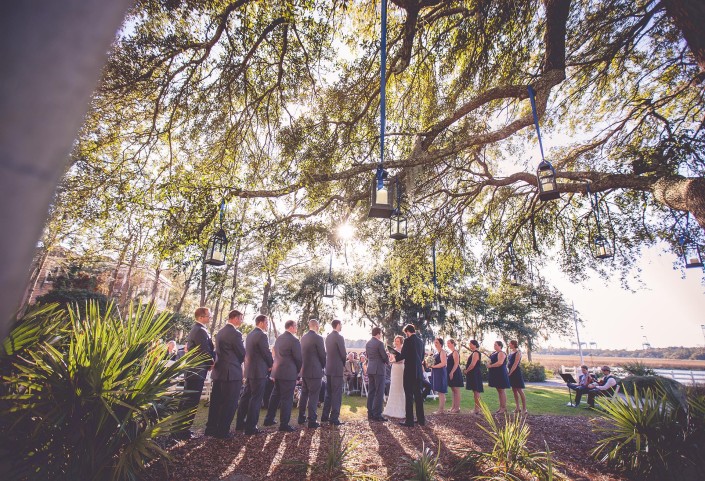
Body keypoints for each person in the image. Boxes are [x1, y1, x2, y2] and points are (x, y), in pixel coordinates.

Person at [175, 307, 215, 439]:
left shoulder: (198, 329)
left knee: (188, 400)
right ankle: (182, 431)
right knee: (191, 401)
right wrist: (211, 363)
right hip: (196, 371)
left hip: (195, 370)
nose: (210, 317)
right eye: (208, 315)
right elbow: (204, 350)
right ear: (201, 317)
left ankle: (180, 429)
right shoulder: (200, 330)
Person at [205, 309, 246, 439]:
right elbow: (242, 353)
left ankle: (211, 428)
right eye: (240, 318)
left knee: (216, 402)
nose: (241, 321)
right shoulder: (235, 333)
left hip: (219, 372)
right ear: (234, 318)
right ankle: (223, 431)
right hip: (231, 373)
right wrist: (237, 364)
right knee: (230, 403)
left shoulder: (221, 332)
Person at [235, 314, 274, 435]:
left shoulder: (250, 334)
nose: (267, 325)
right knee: (256, 398)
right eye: (267, 323)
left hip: (250, 370)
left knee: (246, 397)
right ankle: (251, 427)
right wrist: (271, 365)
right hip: (259, 371)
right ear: (261, 323)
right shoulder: (262, 335)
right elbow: (266, 353)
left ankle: (240, 423)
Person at [263, 320, 302, 432]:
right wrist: (297, 371)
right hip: (288, 372)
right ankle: (284, 424)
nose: (296, 328)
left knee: (275, 396)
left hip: (278, 371)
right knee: (287, 398)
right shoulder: (294, 340)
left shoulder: (279, 338)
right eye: (295, 326)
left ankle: (269, 419)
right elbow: (298, 358)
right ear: (291, 327)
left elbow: (275, 352)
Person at [394, 324, 425, 427]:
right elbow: (421, 357)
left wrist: (395, 354)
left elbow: (403, 355)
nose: (406, 335)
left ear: (407, 331)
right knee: (419, 396)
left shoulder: (408, 341)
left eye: (405, 333)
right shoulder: (421, 341)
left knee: (409, 395)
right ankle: (421, 420)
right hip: (419, 372)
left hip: (410, 372)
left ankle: (409, 421)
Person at [298, 318, 326, 428]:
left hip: (304, 370)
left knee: (304, 394)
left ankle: (301, 417)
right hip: (315, 370)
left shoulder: (303, 337)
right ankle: (312, 421)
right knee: (314, 395)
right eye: (318, 326)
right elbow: (322, 355)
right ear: (316, 326)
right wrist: (322, 366)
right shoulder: (318, 338)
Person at [321, 319, 346, 426]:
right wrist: (343, 364)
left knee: (329, 393)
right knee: (336, 394)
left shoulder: (328, 337)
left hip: (329, 368)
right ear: (338, 325)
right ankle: (334, 418)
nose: (341, 327)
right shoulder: (339, 337)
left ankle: (324, 416)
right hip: (336, 368)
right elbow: (343, 353)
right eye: (341, 325)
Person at [365, 326, 389, 422]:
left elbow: (367, 355)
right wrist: (388, 360)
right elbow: (383, 356)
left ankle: (370, 412)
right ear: (378, 334)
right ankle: (377, 414)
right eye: (381, 334)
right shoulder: (379, 343)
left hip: (370, 369)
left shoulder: (368, 343)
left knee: (371, 391)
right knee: (379, 392)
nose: (381, 335)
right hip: (379, 370)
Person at [383, 335, 406, 418]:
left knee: (400, 387)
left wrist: (397, 360)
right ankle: (391, 408)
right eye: (395, 341)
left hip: (401, 368)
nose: (396, 342)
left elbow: (403, 360)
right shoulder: (393, 350)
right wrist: (392, 360)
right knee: (394, 387)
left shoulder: (403, 349)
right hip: (394, 369)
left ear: (401, 342)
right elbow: (390, 360)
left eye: (398, 341)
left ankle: (401, 408)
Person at [487, 340, 510, 414]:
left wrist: (491, 366)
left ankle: (503, 408)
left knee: (501, 390)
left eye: (496, 345)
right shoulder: (494, 353)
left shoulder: (501, 353)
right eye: (494, 344)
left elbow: (500, 362)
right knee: (499, 391)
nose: (494, 346)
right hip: (495, 373)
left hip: (500, 373)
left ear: (500, 346)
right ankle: (501, 407)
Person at [463, 339, 484, 415]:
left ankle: (477, 409)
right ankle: (478, 408)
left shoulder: (476, 353)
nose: (469, 345)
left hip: (475, 373)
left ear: (474, 345)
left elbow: (473, 364)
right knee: (475, 391)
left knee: (476, 391)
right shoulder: (473, 353)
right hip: (473, 374)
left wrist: (466, 370)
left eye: (470, 344)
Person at [507, 340, 527, 414]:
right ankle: (517, 408)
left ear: (513, 344)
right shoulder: (511, 352)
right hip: (510, 373)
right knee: (514, 390)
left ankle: (524, 409)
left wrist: (510, 372)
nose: (509, 345)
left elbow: (515, 364)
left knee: (520, 390)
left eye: (510, 344)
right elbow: (509, 363)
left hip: (516, 373)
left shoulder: (518, 352)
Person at [430, 337, 448, 414]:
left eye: (437, 342)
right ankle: (441, 409)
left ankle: (441, 410)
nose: (435, 344)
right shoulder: (436, 353)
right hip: (436, 372)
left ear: (441, 344)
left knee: (441, 392)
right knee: (439, 392)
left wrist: (433, 366)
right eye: (435, 342)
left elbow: (443, 363)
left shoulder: (443, 352)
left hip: (440, 373)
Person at [446, 339, 463, 414]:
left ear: (453, 344)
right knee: (453, 390)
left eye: (449, 343)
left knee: (456, 390)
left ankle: (457, 408)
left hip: (455, 373)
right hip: (450, 372)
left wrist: (452, 372)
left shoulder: (455, 352)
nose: (447, 344)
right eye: (447, 343)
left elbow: (456, 363)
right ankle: (453, 407)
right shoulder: (451, 353)